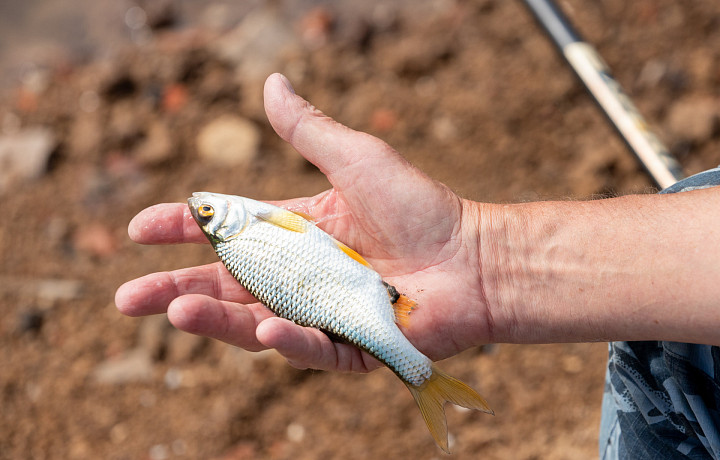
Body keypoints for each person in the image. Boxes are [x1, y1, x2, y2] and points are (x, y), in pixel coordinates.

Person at [115, 73, 720, 459]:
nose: (214, 209)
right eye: (211, 214)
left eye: (209, 213)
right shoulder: (252, 231)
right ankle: (426, 382)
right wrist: (481, 255)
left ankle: (427, 384)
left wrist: (482, 257)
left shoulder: (245, 236)